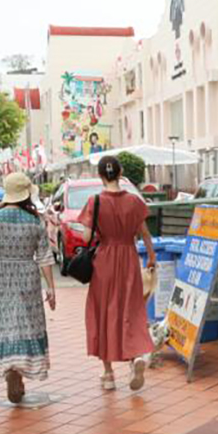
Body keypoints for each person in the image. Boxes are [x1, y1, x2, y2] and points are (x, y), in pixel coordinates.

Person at [0, 172, 57, 403]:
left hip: (0, 279)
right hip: (28, 279)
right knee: (27, 326)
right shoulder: (35, 221)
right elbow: (44, 257)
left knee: (5, 326)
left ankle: (10, 370)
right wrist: (51, 289)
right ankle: (19, 372)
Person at [79, 155, 156, 391]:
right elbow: (144, 233)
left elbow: (85, 237)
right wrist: (151, 257)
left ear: (101, 175)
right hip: (129, 258)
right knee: (130, 309)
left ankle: (108, 373)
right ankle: (135, 360)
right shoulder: (134, 201)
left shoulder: (94, 202)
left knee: (104, 311)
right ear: (120, 173)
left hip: (104, 262)